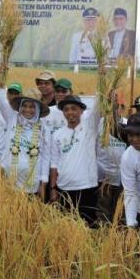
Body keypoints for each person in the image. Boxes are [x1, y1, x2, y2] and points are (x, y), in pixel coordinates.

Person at [49, 95, 101, 226]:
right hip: (64, 187)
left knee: (88, 226)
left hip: (87, 187)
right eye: (66, 109)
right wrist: (53, 188)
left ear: (81, 110)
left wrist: (105, 87)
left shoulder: (90, 128)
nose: (70, 112)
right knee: (66, 227)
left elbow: (99, 107)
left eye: (74, 108)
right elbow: (54, 163)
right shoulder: (57, 135)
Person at [0, 84, 51, 199]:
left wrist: (43, 183)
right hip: (8, 181)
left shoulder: (44, 128)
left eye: (32, 107)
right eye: (24, 106)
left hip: (31, 183)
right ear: (20, 106)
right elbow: (1, 100)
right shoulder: (12, 118)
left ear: (37, 109)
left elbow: (46, 157)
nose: (27, 110)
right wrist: (1, 83)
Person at [96, 116, 127, 223]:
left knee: (120, 212)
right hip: (103, 178)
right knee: (103, 211)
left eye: (119, 107)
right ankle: (103, 231)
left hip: (122, 179)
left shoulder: (127, 124)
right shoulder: (98, 124)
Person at [0, 83, 22, 165]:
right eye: (10, 93)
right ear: (7, 94)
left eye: (16, 94)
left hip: (15, 157)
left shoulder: (24, 113)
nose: (13, 96)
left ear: (21, 95)